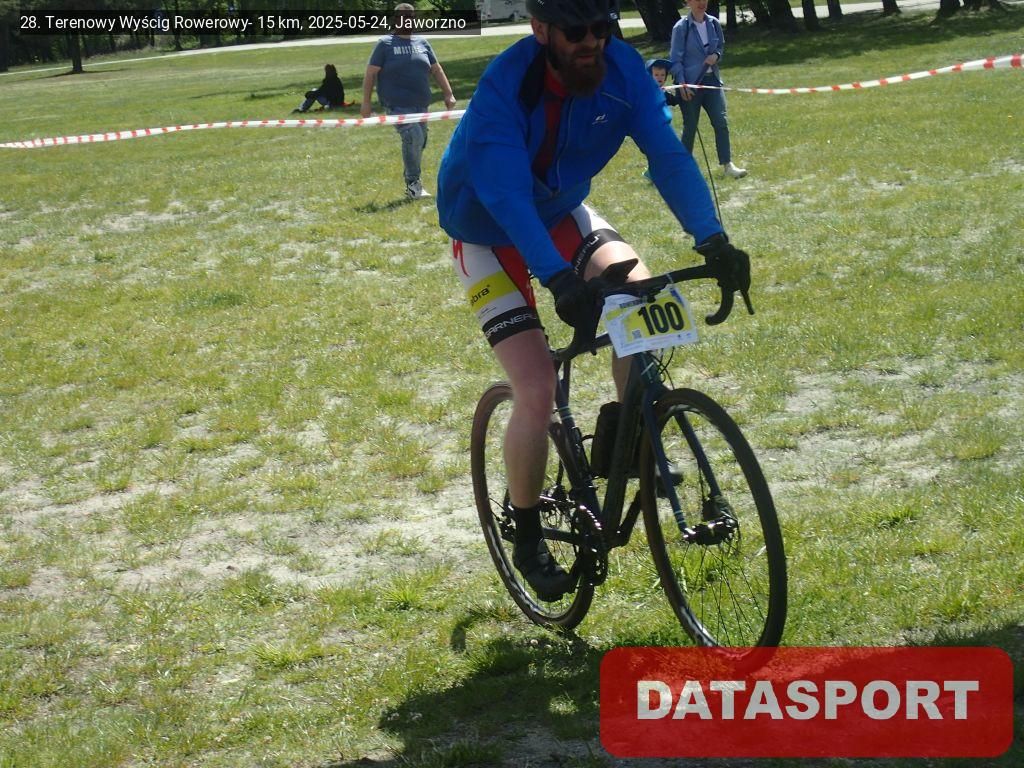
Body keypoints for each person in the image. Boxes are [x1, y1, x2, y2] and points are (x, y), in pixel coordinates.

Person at [437, 0, 751, 601]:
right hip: (486, 231)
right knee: (536, 388)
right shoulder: (506, 88)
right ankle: (526, 530)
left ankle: (625, 440)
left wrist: (713, 239)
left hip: (560, 212)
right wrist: (560, 281)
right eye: (575, 31)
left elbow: (667, 155)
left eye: (602, 28)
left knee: (642, 303)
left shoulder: (622, 69)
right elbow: (507, 199)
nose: (591, 42)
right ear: (541, 30)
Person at [360, 3, 457, 200]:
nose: (408, 21)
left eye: (411, 17)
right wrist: (366, 103)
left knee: (420, 141)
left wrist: (448, 94)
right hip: (397, 105)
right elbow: (370, 74)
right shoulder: (385, 44)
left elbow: (436, 69)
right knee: (413, 137)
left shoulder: (422, 43)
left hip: (421, 105)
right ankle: (413, 184)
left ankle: (413, 181)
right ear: (396, 19)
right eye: (403, 17)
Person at [669, 0, 747, 179]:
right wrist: (682, 84)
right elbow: (675, 60)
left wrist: (716, 55)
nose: (702, 2)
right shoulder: (681, 28)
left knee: (721, 122)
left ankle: (728, 165)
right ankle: (681, 170)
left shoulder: (713, 23)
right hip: (690, 84)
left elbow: (720, 46)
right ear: (688, 2)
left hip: (712, 81)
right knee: (690, 127)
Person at [642, 58, 683, 181]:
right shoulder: (646, 92)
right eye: (656, 75)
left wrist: (681, 91)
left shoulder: (663, 92)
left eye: (662, 75)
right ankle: (654, 173)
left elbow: (674, 101)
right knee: (657, 152)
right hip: (650, 130)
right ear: (649, 76)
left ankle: (654, 173)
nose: (660, 78)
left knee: (663, 152)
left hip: (664, 129)